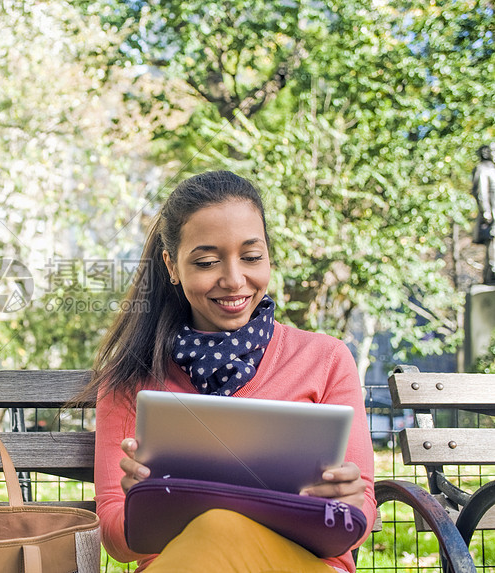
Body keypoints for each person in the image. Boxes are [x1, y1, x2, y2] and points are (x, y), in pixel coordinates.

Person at [89, 171, 376, 572]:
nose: (234, 279)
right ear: (172, 265)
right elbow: (116, 539)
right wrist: (144, 505)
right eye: (207, 262)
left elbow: (360, 521)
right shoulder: (131, 381)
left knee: (220, 527)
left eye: (252, 257)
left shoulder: (326, 360)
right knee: (215, 531)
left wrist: (348, 505)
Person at [472, 144, 495, 284]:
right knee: (492, 243)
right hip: (491, 215)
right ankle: (491, 272)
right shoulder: (482, 169)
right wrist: (486, 212)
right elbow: (481, 192)